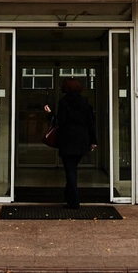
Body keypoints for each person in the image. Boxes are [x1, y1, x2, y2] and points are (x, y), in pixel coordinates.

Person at [44, 77, 97, 209]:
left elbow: (59, 122)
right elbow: (91, 122)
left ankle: (74, 201)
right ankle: (69, 198)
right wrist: (93, 140)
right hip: (82, 140)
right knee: (72, 170)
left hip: (67, 141)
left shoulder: (64, 102)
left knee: (70, 171)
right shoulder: (85, 102)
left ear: (65, 88)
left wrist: (49, 113)